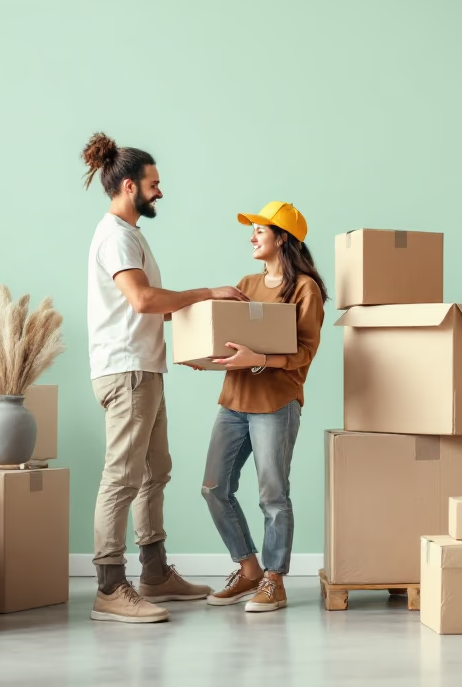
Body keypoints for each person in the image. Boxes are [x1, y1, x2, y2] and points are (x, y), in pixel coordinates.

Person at [82, 133, 249, 624]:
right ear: (129, 185)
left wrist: (208, 322)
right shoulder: (115, 236)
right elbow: (143, 301)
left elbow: (154, 309)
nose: (160, 192)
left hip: (145, 369)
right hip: (127, 371)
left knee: (156, 472)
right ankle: (110, 588)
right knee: (122, 478)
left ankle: (154, 573)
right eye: (154, 184)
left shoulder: (130, 234)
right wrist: (204, 293)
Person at [196, 201, 327, 613]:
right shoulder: (246, 284)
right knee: (214, 488)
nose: (252, 237)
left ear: (282, 238)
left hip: (276, 402)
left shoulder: (304, 289)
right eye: (252, 230)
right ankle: (249, 569)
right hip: (234, 400)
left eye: (260, 230)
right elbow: (227, 337)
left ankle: (274, 579)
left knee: (273, 495)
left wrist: (259, 359)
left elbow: (305, 352)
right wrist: (205, 356)